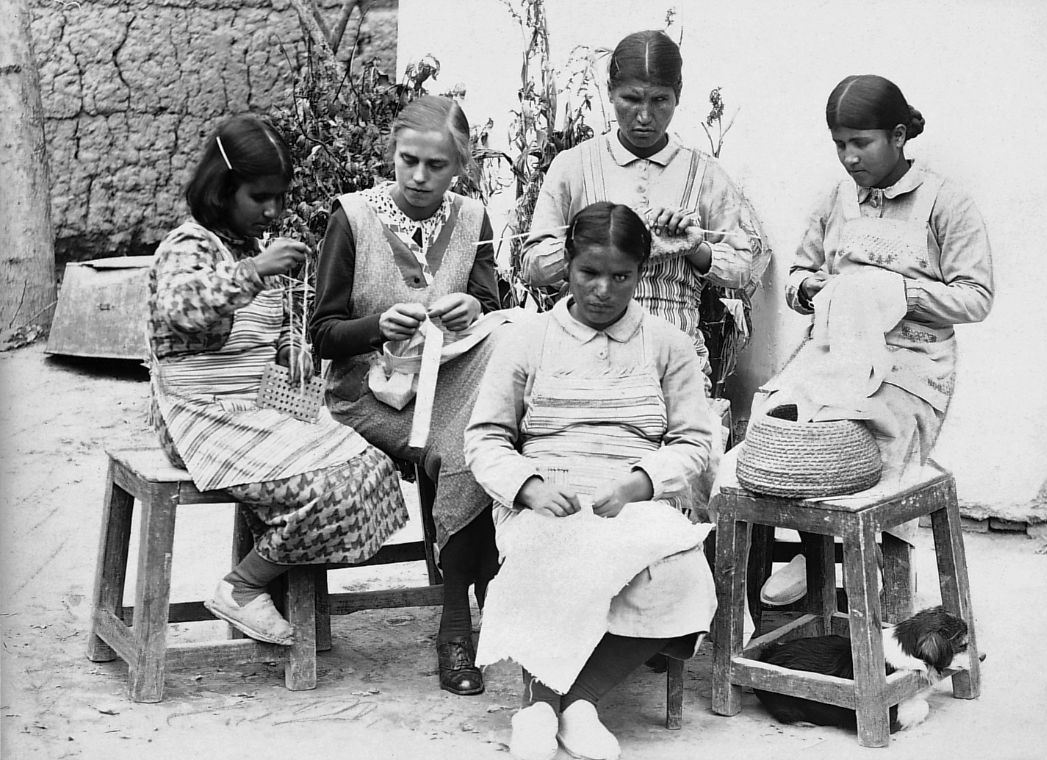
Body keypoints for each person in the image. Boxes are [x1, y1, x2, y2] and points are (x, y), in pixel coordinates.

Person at [464, 202, 717, 760]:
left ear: (641, 273)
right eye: (589, 273)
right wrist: (528, 488)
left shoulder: (665, 342)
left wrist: (640, 482)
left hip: (632, 499)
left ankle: (575, 702)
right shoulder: (528, 339)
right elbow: (485, 437)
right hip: (548, 496)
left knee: (681, 574)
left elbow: (696, 440)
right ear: (567, 269)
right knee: (549, 556)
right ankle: (537, 706)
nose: (603, 289)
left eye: (620, 277)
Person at [148, 115, 408, 646]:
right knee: (331, 486)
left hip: (257, 403)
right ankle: (244, 586)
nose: (271, 210)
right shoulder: (188, 245)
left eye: (279, 198)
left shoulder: (252, 248)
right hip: (199, 413)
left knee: (371, 469)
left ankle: (278, 584)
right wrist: (253, 272)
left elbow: (277, 327)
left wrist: (293, 350)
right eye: (258, 196)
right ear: (222, 190)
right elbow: (180, 310)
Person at [757, 74, 994, 606]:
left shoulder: (945, 203)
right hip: (833, 348)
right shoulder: (835, 199)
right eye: (839, 144)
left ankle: (884, 599)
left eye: (861, 143)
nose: (849, 157)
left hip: (912, 363)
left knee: (856, 431)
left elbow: (976, 298)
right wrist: (814, 288)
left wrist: (897, 292)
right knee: (777, 417)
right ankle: (811, 551)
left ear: (900, 135)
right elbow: (798, 274)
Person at [310, 95, 504, 696]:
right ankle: (460, 625)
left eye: (437, 166)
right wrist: (376, 327)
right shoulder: (353, 218)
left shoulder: (474, 219)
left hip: (451, 379)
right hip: (369, 394)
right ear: (390, 155)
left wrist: (475, 304)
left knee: (479, 438)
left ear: (460, 167)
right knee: (463, 450)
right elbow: (322, 336)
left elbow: (492, 311)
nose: (420, 177)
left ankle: (487, 597)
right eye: (408, 161)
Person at [520, 29, 769, 390]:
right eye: (631, 99)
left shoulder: (704, 173)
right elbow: (533, 266)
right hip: (582, 352)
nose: (644, 116)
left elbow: (743, 270)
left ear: (678, 94)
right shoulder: (573, 166)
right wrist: (600, 238)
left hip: (672, 357)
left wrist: (694, 247)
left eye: (659, 100)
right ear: (610, 92)